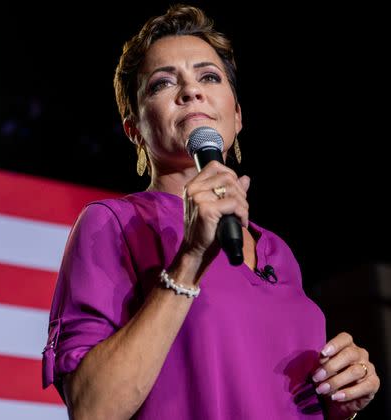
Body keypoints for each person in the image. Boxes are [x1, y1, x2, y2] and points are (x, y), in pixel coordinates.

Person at [41, 4, 380, 419]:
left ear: (237, 116)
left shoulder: (280, 252)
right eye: (162, 84)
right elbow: (94, 408)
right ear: (134, 129)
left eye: (209, 76)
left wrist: (341, 398)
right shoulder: (112, 224)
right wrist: (190, 261)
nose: (191, 90)